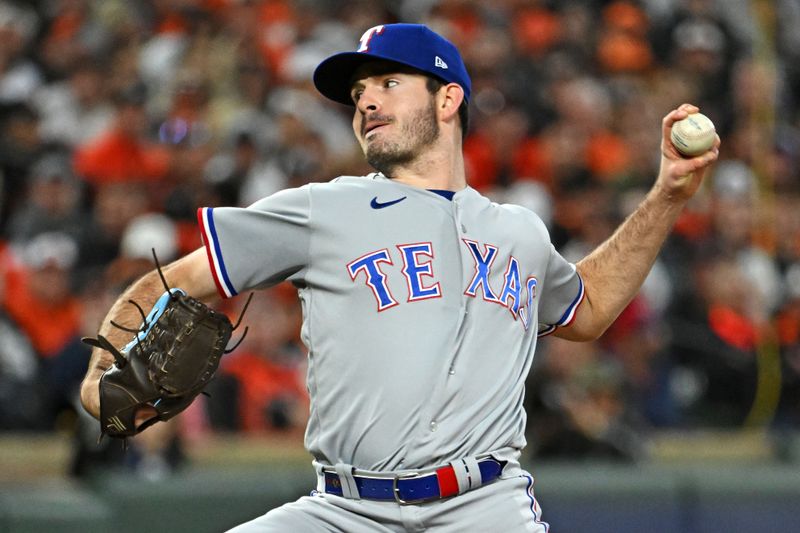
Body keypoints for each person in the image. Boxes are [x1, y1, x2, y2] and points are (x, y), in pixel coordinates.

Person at [79, 23, 720, 532]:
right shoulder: (322, 208)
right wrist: (99, 373)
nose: (366, 103)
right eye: (359, 94)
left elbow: (588, 308)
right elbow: (176, 278)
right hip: (344, 510)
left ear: (448, 98)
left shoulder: (519, 231)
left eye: (387, 83)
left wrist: (667, 194)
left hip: (483, 507)